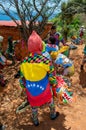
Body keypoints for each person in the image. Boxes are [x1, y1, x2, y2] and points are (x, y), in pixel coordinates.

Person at [19, 31, 59, 126]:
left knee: (33, 105)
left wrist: (24, 88)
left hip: (31, 91)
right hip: (44, 90)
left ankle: (35, 120)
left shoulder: (24, 62)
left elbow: (22, 80)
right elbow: (52, 77)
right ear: (41, 46)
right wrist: (54, 85)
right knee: (50, 100)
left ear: (29, 47)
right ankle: (53, 115)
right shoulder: (46, 61)